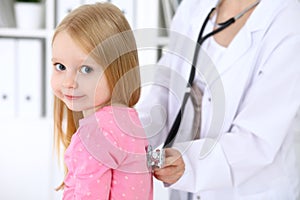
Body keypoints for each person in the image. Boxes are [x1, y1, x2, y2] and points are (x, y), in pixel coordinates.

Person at [136, 0, 300, 199]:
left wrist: (190, 164)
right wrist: (135, 134)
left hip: (249, 191)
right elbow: (166, 87)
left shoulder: (289, 22)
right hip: (183, 190)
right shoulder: (193, 6)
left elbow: (257, 138)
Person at [51, 3, 153, 199]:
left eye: (86, 69)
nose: (69, 82)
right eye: (60, 66)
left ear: (118, 71)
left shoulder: (95, 134)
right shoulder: (128, 120)